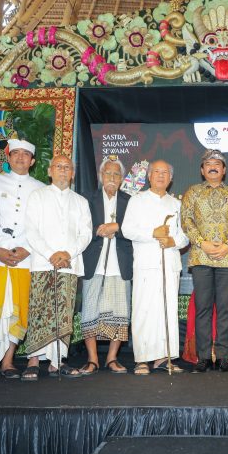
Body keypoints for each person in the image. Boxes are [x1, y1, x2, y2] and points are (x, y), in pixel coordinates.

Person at [0, 139, 45, 379]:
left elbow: (40, 225)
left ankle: (8, 361)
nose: (20, 158)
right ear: (8, 158)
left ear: (32, 161)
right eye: (15, 153)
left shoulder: (40, 189)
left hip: (24, 258)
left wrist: (26, 249)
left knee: (18, 309)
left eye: (25, 154)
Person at [23, 155, 91, 381]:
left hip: (69, 264)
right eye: (58, 167)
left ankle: (58, 361)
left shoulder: (80, 201)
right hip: (43, 263)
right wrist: (51, 254)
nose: (63, 170)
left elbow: (85, 234)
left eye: (67, 167)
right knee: (39, 311)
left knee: (64, 314)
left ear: (73, 173)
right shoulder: (37, 196)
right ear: (49, 171)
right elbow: (31, 230)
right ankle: (33, 360)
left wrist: (67, 253)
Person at [181, 149, 228, 373]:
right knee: (203, 308)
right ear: (202, 170)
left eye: (217, 164)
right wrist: (202, 243)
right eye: (208, 164)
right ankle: (203, 357)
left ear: (224, 170)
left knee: (226, 308)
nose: (213, 167)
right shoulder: (193, 192)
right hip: (201, 255)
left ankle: (223, 357)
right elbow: (186, 220)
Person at [122, 160, 189, 375]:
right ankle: (142, 359)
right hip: (146, 264)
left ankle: (164, 358)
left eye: (165, 172)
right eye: (156, 172)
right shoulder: (137, 200)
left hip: (170, 264)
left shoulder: (176, 204)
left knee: (167, 311)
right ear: (149, 176)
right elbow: (127, 230)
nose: (160, 176)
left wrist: (173, 242)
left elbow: (185, 235)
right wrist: (152, 233)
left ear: (171, 178)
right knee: (144, 311)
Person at [79, 156, 133, 375]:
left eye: (116, 174)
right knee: (90, 311)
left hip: (120, 265)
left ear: (121, 178)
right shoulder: (87, 199)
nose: (112, 177)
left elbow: (136, 229)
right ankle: (92, 359)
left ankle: (112, 358)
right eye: (108, 173)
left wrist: (116, 227)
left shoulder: (130, 201)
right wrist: (99, 231)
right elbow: (79, 228)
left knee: (120, 312)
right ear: (101, 176)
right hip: (94, 263)